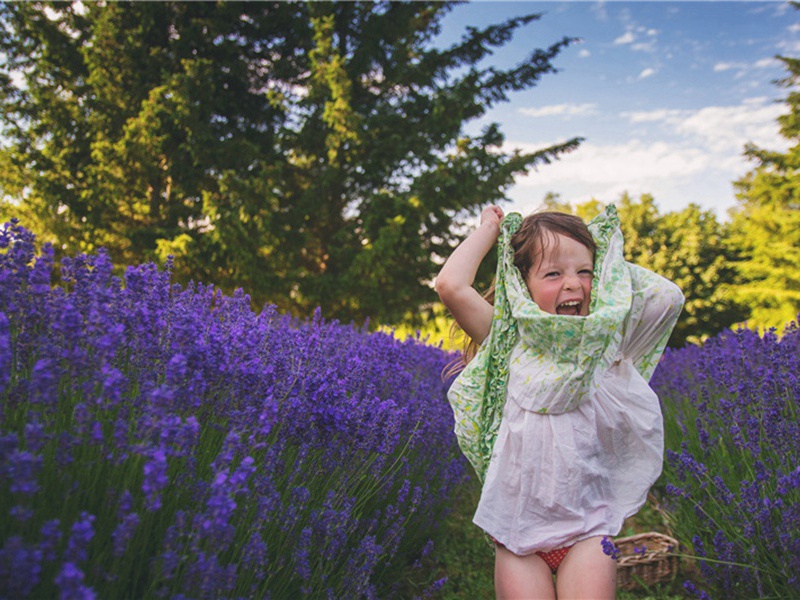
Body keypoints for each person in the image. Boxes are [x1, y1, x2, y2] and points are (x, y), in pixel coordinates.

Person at [435, 204, 684, 599]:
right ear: (522, 286)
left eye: (585, 271)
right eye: (553, 273)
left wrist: (607, 264)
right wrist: (489, 230)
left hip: (587, 532)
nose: (574, 284)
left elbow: (667, 297)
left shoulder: (606, 348)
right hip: (518, 538)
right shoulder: (508, 343)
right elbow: (450, 285)